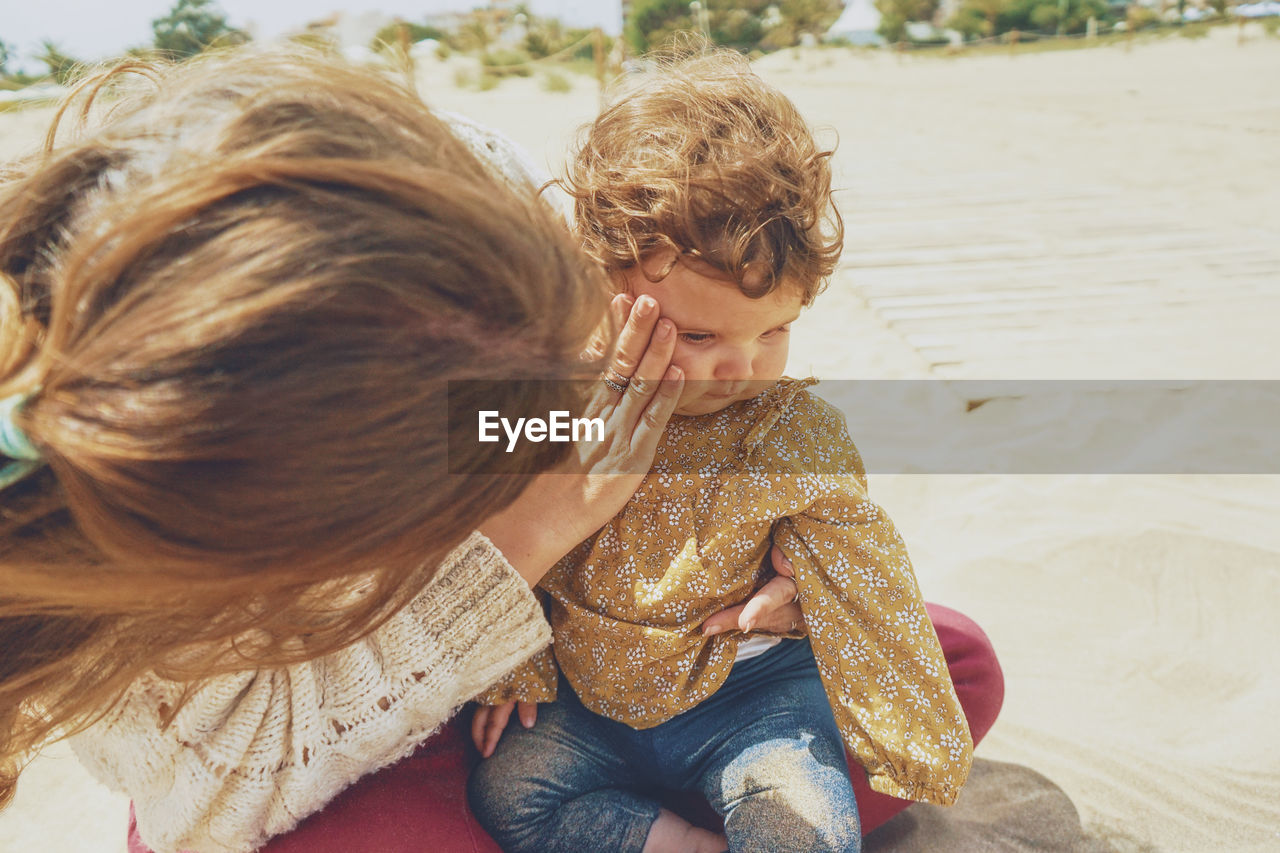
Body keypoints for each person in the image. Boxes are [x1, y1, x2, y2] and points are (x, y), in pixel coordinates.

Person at [0, 49, 808, 853]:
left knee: (923, 661)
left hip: (551, 667)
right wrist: (519, 542)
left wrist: (779, 559)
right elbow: (211, 800)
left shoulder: (458, 189)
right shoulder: (136, 584)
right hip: (345, 731)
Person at [466, 50, 1004, 853]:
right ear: (598, 286)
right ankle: (684, 841)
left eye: (774, 329)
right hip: (586, 704)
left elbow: (864, 558)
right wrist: (510, 664)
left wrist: (899, 715)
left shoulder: (790, 431)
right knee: (508, 793)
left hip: (749, 696)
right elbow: (493, 517)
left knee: (803, 816)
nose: (742, 366)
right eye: (698, 334)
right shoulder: (553, 401)